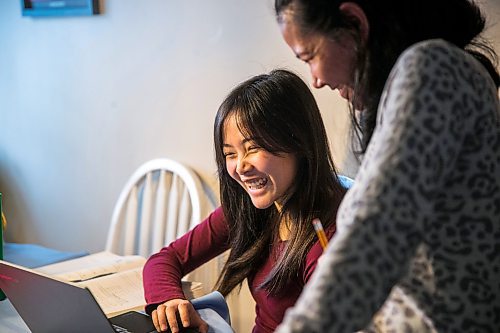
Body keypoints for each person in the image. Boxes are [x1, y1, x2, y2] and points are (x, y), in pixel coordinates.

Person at [273, 0, 500, 332]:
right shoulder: (415, 84)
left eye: (310, 57)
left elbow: (377, 229)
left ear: (355, 23)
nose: (316, 80)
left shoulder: (432, 69)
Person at [142, 69, 347, 333]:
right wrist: (172, 300)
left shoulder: (327, 236)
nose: (240, 167)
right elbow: (165, 259)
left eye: (253, 148)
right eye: (230, 154)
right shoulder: (250, 210)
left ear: (298, 142)